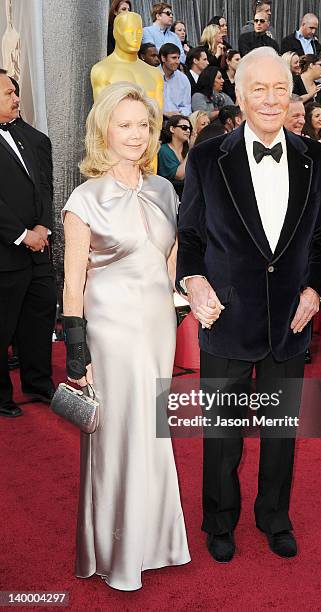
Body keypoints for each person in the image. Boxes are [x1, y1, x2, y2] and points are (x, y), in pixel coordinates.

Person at [176, 47, 321, 562]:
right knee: (222, 435)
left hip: (290, 320)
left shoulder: (318, 158)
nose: (270, 100)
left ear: (292, 95)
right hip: (225, 316)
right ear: (239, 95)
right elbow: (192, 236)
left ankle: (274, 516)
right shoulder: (206, 158)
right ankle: (218, 521)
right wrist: (195, 282)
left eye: (279, 89)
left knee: (280, 434)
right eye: (259, 89)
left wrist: (314, 292)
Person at [62, 82, 190, 590]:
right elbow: (73, 281)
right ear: (104, 131)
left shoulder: (164, 190)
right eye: (125, 124)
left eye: (143, 125)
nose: (136, 135)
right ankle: (117, 553)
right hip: (111, 331)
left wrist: (182, 307)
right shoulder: (84, 197)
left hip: (158, 327)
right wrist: (77, 346)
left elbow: (172, 262)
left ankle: (156, 540)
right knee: (117, 435)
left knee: (153, 430)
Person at [0, 69, 56, 418]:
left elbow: (45, 187)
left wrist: (42, 228)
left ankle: (38, 382)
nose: (17, 98)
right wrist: (22, 235)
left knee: (40, 316)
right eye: (8, 93)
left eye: (15, 92)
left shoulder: (31, 137)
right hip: (6, 250)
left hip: (38, 249)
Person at [158, 114, 192, 196]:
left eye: (189, 128)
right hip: (167, 194)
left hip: (187, 194)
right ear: (172, 129)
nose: (188, 131)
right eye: (184, 127)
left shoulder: (188, 149)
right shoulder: (163, 150)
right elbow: (179, 176)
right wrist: (191, 151)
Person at [159, 42, 191, 118]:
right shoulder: (153, 76)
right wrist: (164, 113)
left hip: (178, 121)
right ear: (163, 58)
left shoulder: (183, 79)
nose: (178, 62)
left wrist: (179, 114)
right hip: (157, 119)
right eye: (174, 58)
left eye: (178, 58)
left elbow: (187, 106)